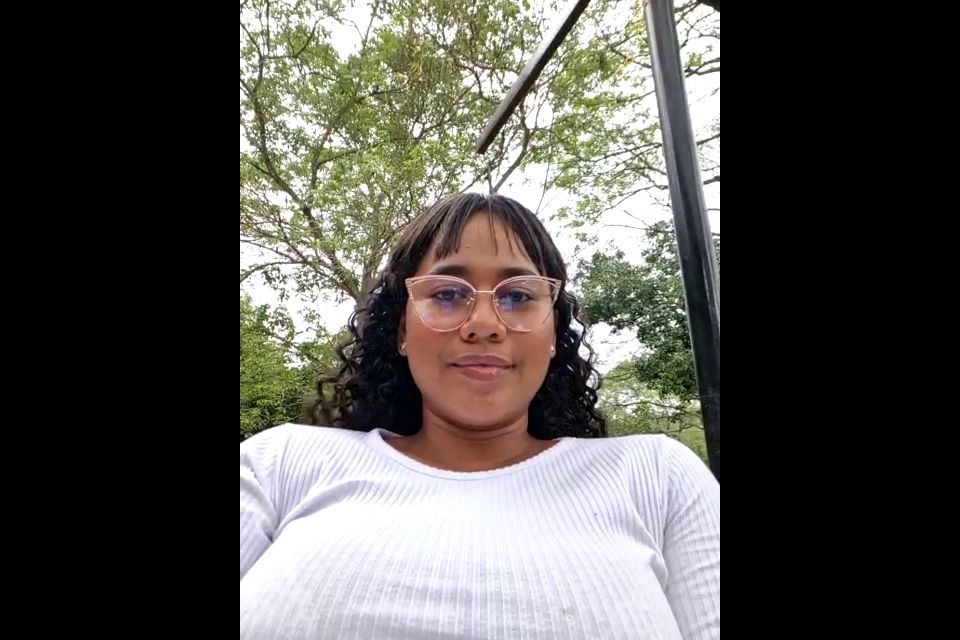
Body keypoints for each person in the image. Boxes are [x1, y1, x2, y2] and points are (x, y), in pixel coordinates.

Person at [240, 193, 720, 639]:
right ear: (402, 329)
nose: (485, 325)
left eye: (518, 296)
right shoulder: (279, 464)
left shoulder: (658, 477)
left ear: (553, 333)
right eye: (448, 294)